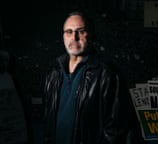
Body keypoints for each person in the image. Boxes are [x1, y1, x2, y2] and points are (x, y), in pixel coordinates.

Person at [43, 11, 132, 144]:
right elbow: (48, 123)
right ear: (63, 36)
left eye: (81, 31)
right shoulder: (53, 73)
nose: (74, 37)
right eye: (69, 31)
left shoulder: (106, 73)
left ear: (90, 35)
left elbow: (116, 129)